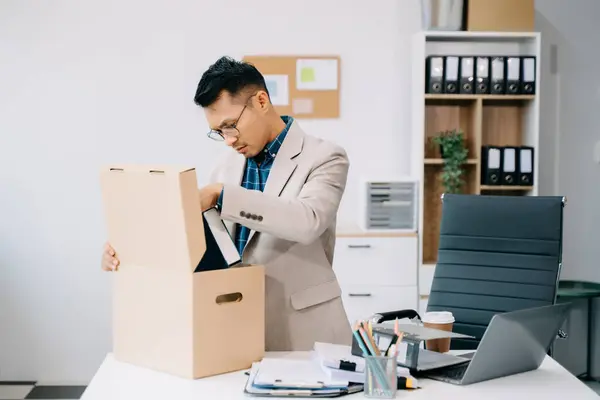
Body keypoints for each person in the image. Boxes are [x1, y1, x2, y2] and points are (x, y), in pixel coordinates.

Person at [101, 56, 352, 351]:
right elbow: (204, 246)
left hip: (306, 331)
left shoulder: (325, 157)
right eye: (219, 132)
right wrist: (128, 251)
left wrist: (222, 195)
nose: (228, 141)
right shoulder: (225, 166)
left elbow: (307, 221)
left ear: (261, 101)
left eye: (230, 125)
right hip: (236, 326)